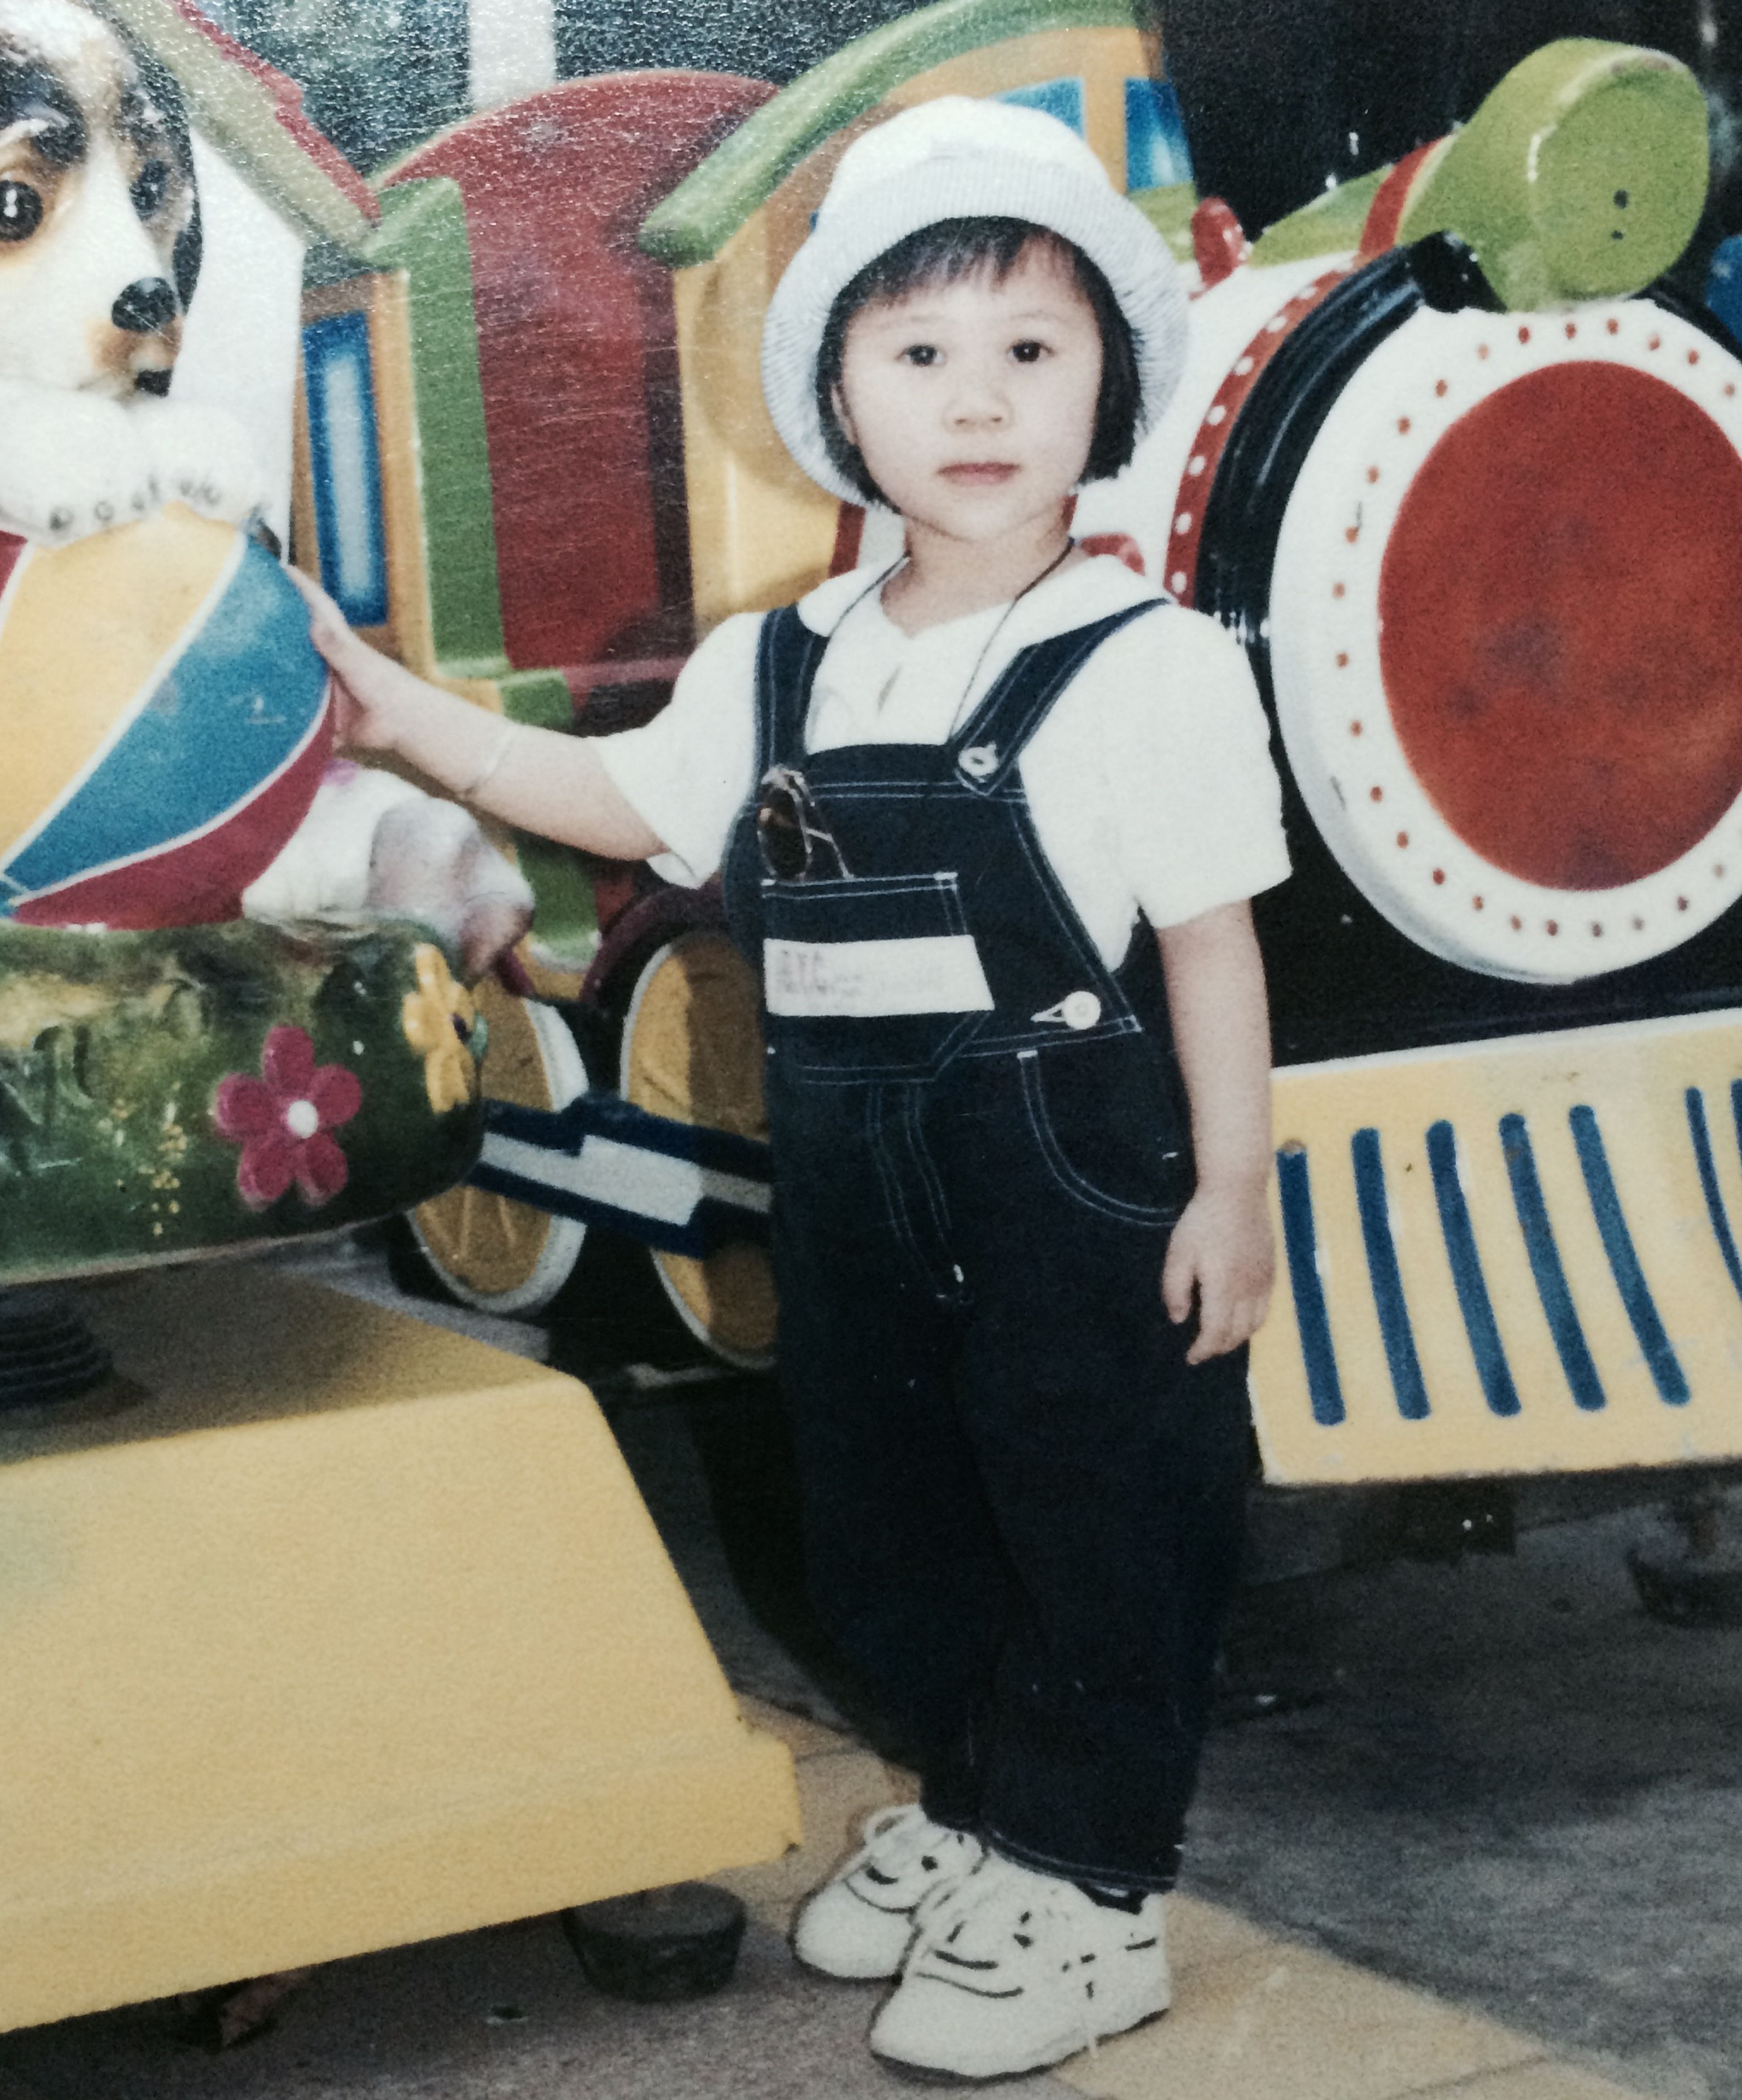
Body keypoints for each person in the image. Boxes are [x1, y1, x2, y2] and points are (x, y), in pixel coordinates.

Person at [296, 94, 1289, 2081]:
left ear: (1111, 386)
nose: (980, 401)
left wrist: (1234, 1193)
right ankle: (981, 1805)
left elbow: (1212, 950)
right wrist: (400, 713)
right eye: (919, 356)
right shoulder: (781, 663)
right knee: (887, 1526)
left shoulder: (1150, 664)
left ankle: (1093, 1892)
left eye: (1035, 350)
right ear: (839, 397)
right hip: (849, 1188)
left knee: (1097, 1521)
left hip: (1076, 1183)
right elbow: (608, 801)